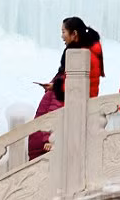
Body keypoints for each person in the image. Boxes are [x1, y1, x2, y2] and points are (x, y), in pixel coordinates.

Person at [28, 16, 105, 159]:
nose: (62, 36)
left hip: (71, 106)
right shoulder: (85, 52)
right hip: (69, 102)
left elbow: (74, 86)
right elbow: (70, 80)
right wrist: (55, 85)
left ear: (74, 34)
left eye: (64, 32)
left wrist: (50, 138)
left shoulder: (81, 54)